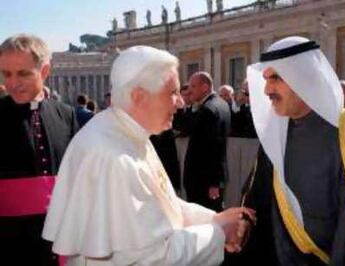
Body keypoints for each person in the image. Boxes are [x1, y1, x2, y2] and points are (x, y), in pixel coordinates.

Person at [42, 46, 254, 266]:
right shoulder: (111, 156)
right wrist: (219, 232)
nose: (181, 102)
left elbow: (166, 205)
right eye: (172, 93)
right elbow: (151, 257)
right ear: (139, 96)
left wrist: (215, 219)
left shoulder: (129, 133)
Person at [233, 36, 345, 265]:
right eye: (265, 79)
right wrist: (246, 220)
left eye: (276, 78)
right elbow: (256, 193)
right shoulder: (276, 133)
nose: (267, 89)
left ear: (304, 78)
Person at [0, 34, 79, 266]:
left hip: (61, 237)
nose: (12, 83)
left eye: (23, 73)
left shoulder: (66, 114)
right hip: (9, 241)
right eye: (6, 74)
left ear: (44, 71)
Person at [184, 71, 231, 211]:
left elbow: (214, 147)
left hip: (203, 181)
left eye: (193, 86)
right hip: (211, 179)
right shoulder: (222, 104)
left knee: (204, 221)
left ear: (205, 87)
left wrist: (214, 183)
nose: (189, 91)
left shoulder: (208, 110)